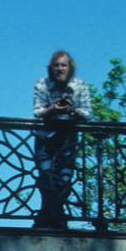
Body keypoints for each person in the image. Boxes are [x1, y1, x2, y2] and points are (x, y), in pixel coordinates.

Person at [30, 50, 91, 230]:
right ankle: (55, 220)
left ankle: (47, 219)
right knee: (46, 178)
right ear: (51, 68)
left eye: (63, 65)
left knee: (64, 179)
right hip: (45, 139)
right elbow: (37, 111)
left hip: (67, 139)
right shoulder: (42, 84)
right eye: (56, 65)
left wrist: (73, 111)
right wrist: (52, 109)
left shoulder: (80, 86)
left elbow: (88, 114)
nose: (60, 69)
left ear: (70, 68)